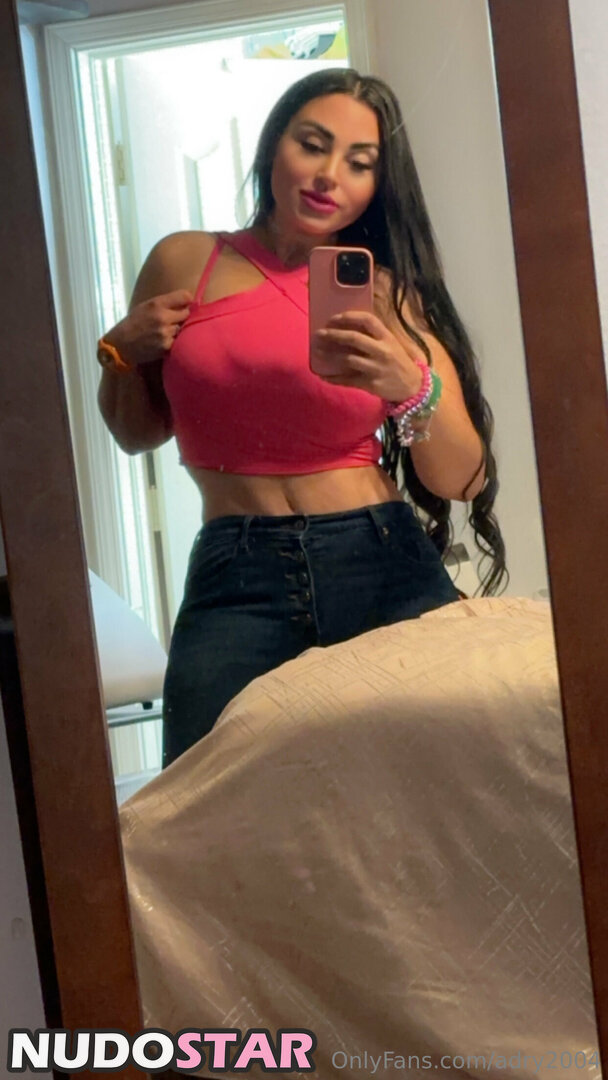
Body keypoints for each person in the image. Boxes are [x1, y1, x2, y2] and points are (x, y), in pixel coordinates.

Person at [97, 68, 506, 767]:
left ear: (378, 185)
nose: (328, 175)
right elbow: (137, 435)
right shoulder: (185, 260)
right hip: (237, 572)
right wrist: (117, 354)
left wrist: (411, 387)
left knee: (433, 788)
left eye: (359, 163)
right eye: (313, 145)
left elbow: (464, 480)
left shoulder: (383, 293)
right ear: (272, 147)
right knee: (201, 788)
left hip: (379, 557)